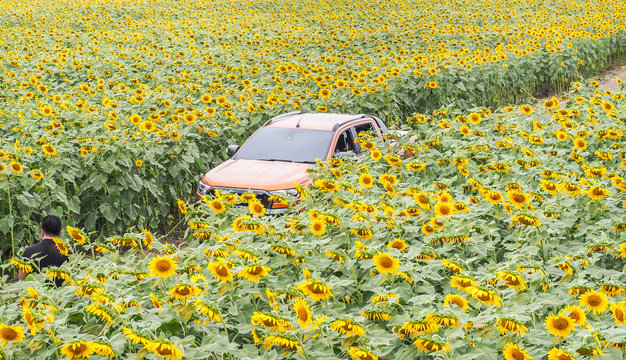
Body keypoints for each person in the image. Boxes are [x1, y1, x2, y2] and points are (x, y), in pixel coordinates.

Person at [18, 215, 68, 286]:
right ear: (60, 234)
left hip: (36, 294)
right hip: (61, 295)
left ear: (42, 232)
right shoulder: (67, 252)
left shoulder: (29, 251)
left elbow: (21, 280)